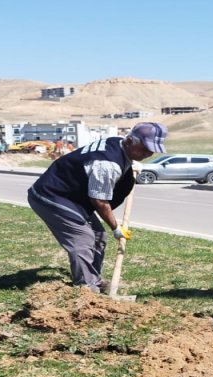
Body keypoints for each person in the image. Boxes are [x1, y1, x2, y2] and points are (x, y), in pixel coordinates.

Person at [27, 122, 167, 292]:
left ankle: (93, 279)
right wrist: (116, 227)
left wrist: (129, 164)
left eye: (152, 150)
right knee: (83, 239)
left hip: (73, 197)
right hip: (51, 195)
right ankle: (86, 289)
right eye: (144, 148)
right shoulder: (107, 164)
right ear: (130, 140)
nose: (148, 153)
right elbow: (99, 200)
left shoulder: (117, 142)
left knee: (99, 236)